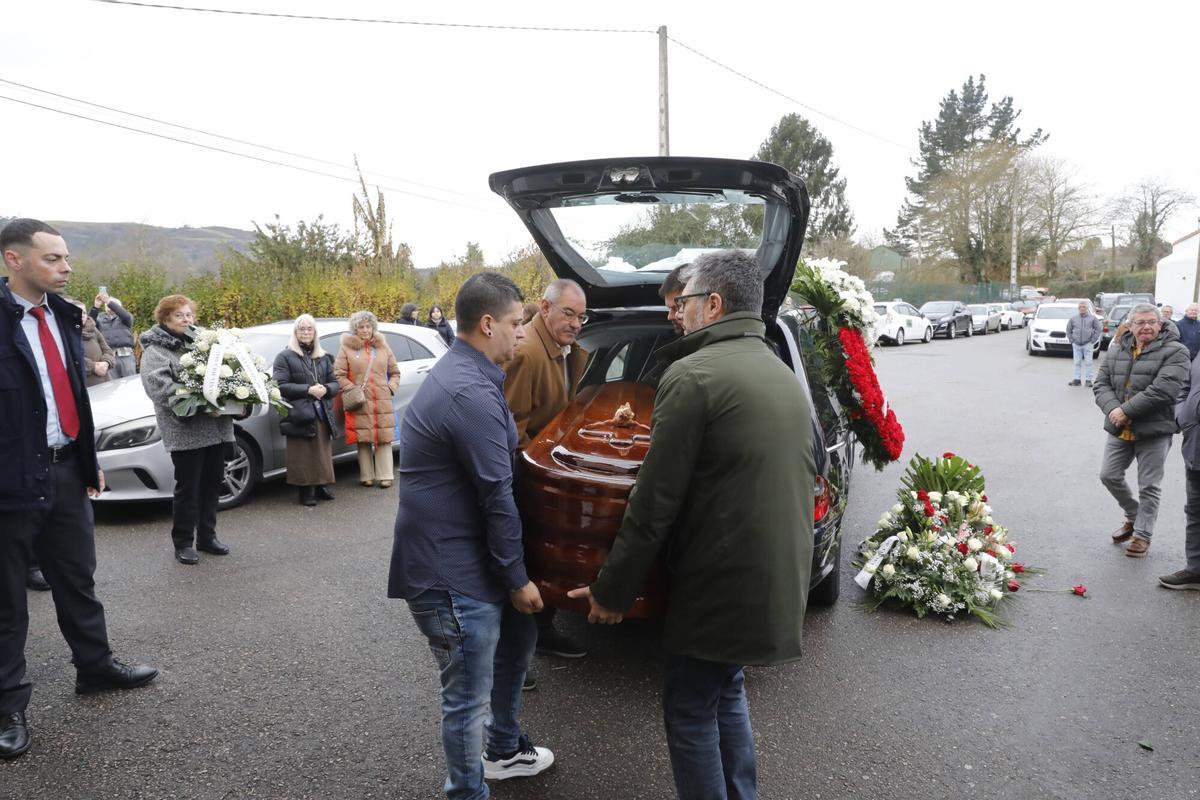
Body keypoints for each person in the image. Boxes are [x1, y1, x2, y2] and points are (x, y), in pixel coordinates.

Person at [568, 250, 815, 800]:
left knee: (688, 711)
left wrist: (612, 590)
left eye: (687, 302)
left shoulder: (693, 374)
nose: (679, 314)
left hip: (718, 585)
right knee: (725, 690)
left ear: (714, 304)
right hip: (771, 578)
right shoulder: (777, 370)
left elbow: (654, 502)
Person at [389, 272, 555, 799]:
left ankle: (503, 750)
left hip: (468, 558)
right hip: (450, 575)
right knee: (465, 699)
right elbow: (496, 495)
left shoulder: (474, 374)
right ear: (487, 324)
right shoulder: (469, 392)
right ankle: (467, 791)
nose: (522, 333)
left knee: (521, 638)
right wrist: (517, 578)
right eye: (515, 323)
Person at [1, 219, 158, 761]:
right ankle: (7, 707)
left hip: (66, 471)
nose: (66, 268)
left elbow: (73, 396)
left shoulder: (66, 317)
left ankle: (95, 669)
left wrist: (88, 462)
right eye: (53, 259)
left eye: (66, 258)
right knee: (7, 603)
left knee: (77, 580)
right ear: (14, 260)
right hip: (10, 483)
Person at [503, 279, 590, 661]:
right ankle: (523, 644)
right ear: (545, 308)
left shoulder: (562, 348)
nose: (576, 323)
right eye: (568, 313)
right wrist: (535, 480)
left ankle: (535, 631)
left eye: (581, 317)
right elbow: (513, 427)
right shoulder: (527, 354)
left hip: (548, 471)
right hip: (530, 475)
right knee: (529, 556)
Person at [140, 294, 235, 565]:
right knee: (188, 489)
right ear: (165, 318)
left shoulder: (205, 345)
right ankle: (183, 542)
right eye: (179, 315)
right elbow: (158, 388)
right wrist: (202, 403)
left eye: (189, 314)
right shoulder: (156, 350)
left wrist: (232, 400)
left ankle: (208, 536)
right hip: (185, 430)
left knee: (212, 485)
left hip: (215, 427)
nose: (186, 319)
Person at [1093, 303, 1190, 558]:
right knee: (1108, 475)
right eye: (1140, 322)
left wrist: (1126, 411)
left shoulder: (1176, 351)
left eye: (1151, 322)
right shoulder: (1117, 349)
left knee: (1149, 485)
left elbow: (1163, 390)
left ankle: (1142, 535)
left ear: (1160, 324)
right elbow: (1101, 384)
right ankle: (1134, 515)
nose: (1146, 326)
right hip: (1119, 427)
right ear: (1131, 325)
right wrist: (1115, 410)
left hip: (1155, 430)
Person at [272, 315, 340, 506]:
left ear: (315, 332)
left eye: (309, 329)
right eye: (302, 329)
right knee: (302, 453)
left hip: (321, 411)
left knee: (321, 452)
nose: (306, 332)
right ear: (295, 332)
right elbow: (280, 385)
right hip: (298, 412)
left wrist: (326, 389)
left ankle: (321, 484)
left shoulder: (324, 357)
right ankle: (306, 489)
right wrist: (307, 390)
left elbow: (335, 383)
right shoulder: (284, 356)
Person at [334, 311, 401, 488]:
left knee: (383, 436)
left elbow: (395, 372)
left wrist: (390, 388)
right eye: (361, 327)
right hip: (360, 400)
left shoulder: (383, 346)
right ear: (355, 329)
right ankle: (366, 475)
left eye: (368, 326)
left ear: (373, 327)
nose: (365, 330)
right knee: (363, 438)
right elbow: (338, 374)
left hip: (381, 399)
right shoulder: (346, 348)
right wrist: (352, 389)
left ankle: (385, 475)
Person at [1164, 350, 1200, 590]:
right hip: (1194, 446)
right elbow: (1186, 386)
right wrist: (1182, 415)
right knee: (1195, 511)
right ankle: (1195, 570)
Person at [90, 291, 136, 378]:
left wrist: (108, 301)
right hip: (109, 356)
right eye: (107, 305)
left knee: (130, 380)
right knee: (112, 384)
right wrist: (96, 306)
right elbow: (90, 324)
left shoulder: (125, 317)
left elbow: (125, 315)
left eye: (112, 305)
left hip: (126, 355)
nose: (109, 307)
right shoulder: (100, 318)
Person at [72, 299, 116, 387]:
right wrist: (93, 366)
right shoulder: (67, 333)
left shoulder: (93, 329)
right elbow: (71, 357)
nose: (82, 315)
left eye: (84, 312)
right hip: (86, 384)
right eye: (78, 312)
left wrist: (106, 362)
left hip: (105, 380)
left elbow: (107, 350)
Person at [1065, 301, 1102, 387]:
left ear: (1087, 308)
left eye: (1084, 307)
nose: (1082, 308)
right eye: (1080, 307)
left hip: (1088, 344)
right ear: (1078, 308)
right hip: (1076, 344)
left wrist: (1093, 340)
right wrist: (1072, 340)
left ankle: (1088, 380)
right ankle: (1076, 379)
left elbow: (1098, 329)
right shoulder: (1073, 319)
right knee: (1077, 362)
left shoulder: (1092, 318)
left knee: (1089, 362)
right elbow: (1068, 330)